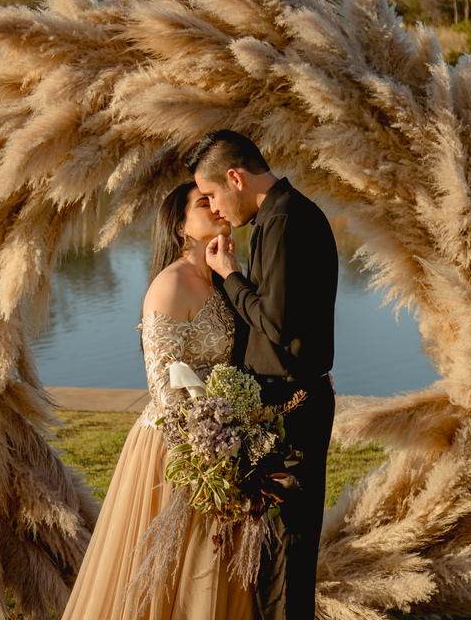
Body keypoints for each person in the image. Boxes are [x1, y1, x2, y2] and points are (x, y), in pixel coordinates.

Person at [61, 181, 254, 620]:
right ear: (179, 226)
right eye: (204, 203)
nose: (217, 207)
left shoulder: (222, 278)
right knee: (171, 570)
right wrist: (209, 447)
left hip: (221, 436)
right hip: (179, 445)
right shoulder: (170, 285)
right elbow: (163, 388)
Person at [188, 130, 338, 620]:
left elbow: (276, 322)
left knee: (286, 553)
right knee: (272, 550)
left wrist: (231, 275)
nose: (214, 208)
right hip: (283, 407)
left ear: (236, 177)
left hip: (294, 410)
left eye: (212, 195)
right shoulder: (280, 216)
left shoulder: (285, 220)